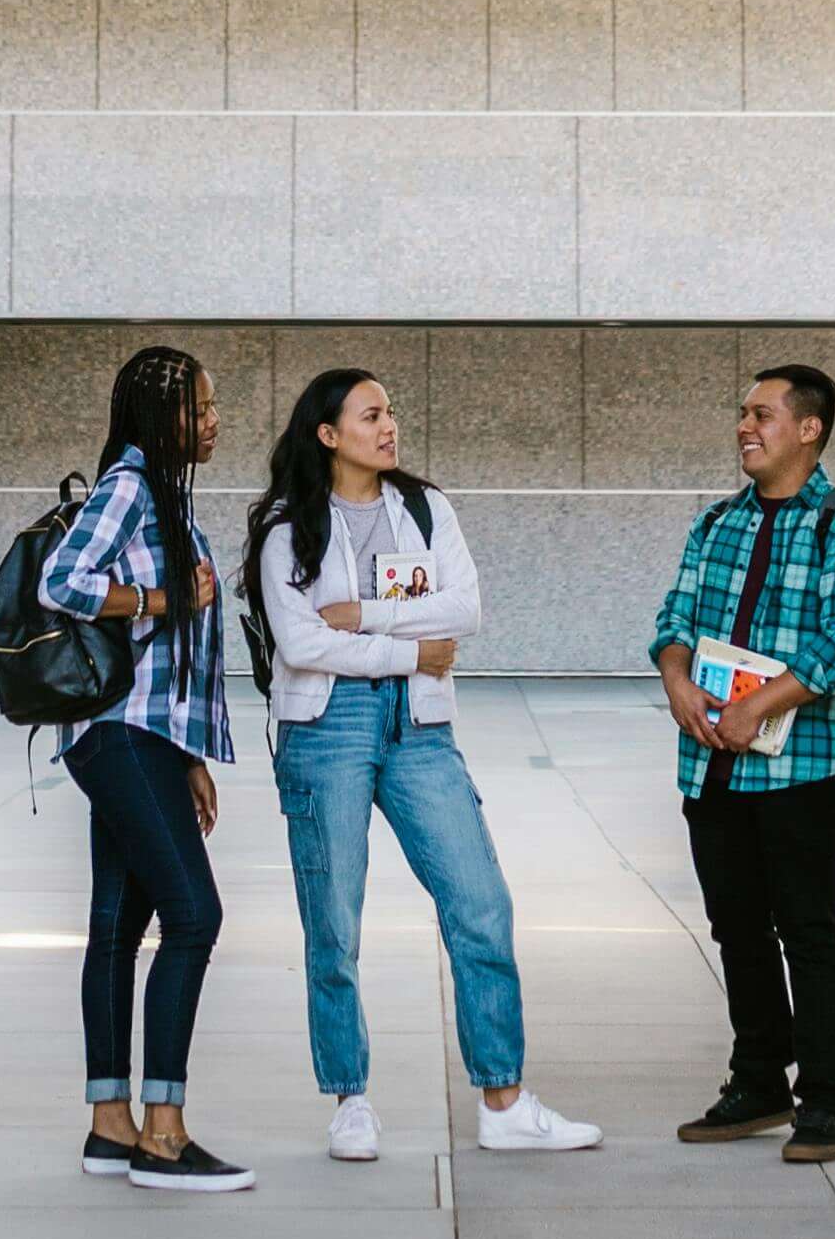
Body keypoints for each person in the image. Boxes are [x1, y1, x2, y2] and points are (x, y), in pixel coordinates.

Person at [248, 368, 602, 1165]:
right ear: (328, 434)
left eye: (392, 412)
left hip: (420, 727)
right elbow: (301, 644)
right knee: (333, 924)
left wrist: (367, 618)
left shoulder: (423, 507)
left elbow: (465, 608)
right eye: (370, 415)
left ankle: (504, 1100)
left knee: (480, 902)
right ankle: (350, 1101)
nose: (389, 425)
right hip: (325, 728)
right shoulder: (286, 526)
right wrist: (414, 648)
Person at [650, 364, 835, 1164]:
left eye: (762, 414)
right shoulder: (718, 521)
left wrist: (763, 702)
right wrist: (676, 677)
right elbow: (674, 613)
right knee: (736, 929)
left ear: (809, 428)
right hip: (712, 763)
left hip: (806, 767)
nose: (745, 427)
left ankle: (824, 1100)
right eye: (742, 414)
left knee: (808, 930)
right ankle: (757, 1083)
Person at [39, 344, 252, 1194]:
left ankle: (108, 1125)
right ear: (161, 417)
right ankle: (163, 1135)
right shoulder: (129, 490)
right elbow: (63, 581)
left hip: (147, 736)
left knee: (120, 931)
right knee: (194, 916)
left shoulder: (163, 496)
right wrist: (166, 600)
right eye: (199, 408)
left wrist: (190, 754)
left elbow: (181, 658)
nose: (211, 421)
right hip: (119, 732)